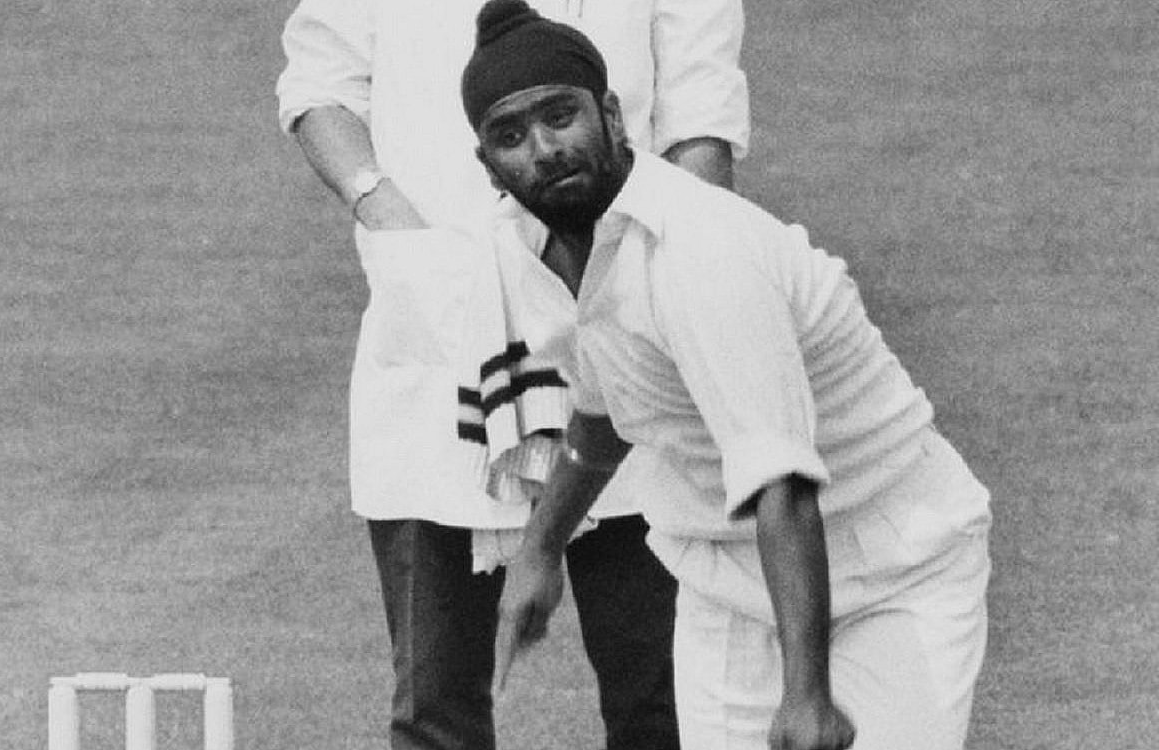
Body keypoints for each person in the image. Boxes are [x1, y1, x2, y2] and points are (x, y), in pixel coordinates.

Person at [464, 7, 993, 750]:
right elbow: (605, 404)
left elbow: (781, 478)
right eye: (511, 136)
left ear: (611, 116)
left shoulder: (701, 253)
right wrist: (540, 548)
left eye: (560, 116)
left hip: (893, 565)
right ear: (487, 164)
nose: (545, 150)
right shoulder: (531, 248)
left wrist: (806, 697)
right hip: (726, 581)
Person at [275, 0, 750, 748]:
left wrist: (676, 277)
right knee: (436, 711)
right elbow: (318, 84)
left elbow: (703, 121)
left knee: (665, 702)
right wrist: (391, 218)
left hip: (619, 318)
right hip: (440, 338)